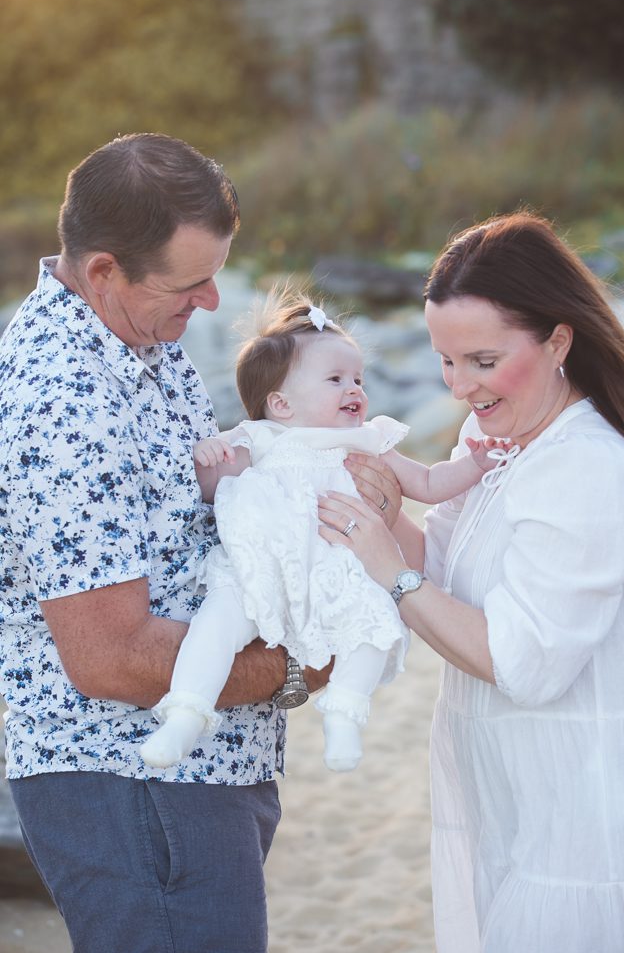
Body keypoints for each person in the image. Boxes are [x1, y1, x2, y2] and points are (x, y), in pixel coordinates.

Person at [0, 133, 397, 953]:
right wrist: (304, 665)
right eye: (189, 283)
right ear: (104, 269)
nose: (214, 303)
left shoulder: (145, 343)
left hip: (199, 774)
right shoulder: (62, 400)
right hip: (133, 784)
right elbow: (110, 657)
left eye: (216, 272)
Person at [318, 212, 624, 953]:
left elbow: (520, 660)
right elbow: (448, 576)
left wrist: (388, 565)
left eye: (481, 360)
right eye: (445, 361)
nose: (458, 386)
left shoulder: (588, 468)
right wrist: (380, 517)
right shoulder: (494, 440)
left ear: (558, 341)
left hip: (587, 819)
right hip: (515, 799)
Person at [139, 290, 511, 774]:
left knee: (375, 623)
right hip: (262, 565)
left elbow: (427, 483)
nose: (354, 389)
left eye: (357, 378)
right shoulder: (258, 438)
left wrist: (473, 463)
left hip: (337, 566)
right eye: (335, 379)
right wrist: (207, 457)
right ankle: (185, 712)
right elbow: (209, 491)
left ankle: (345, 712)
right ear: (281, 404)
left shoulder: (367, 440)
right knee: (217, 623)